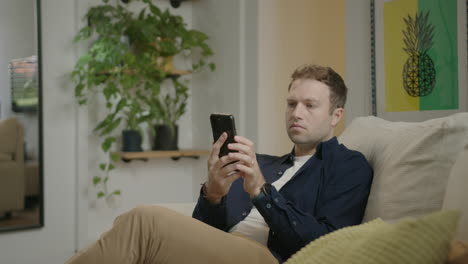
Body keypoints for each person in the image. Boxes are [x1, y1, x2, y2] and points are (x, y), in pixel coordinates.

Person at [66, 64, 373, 264]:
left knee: (143, 220)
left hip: (271, 258)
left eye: (310, 105)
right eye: (291, 103)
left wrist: (261, 191)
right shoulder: (265, 163)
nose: (296, 113)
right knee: (128, 227)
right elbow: (205, 230)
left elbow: (323, 244)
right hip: (228, 248)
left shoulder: (348, 166)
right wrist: (213, 194)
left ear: (336, 115)